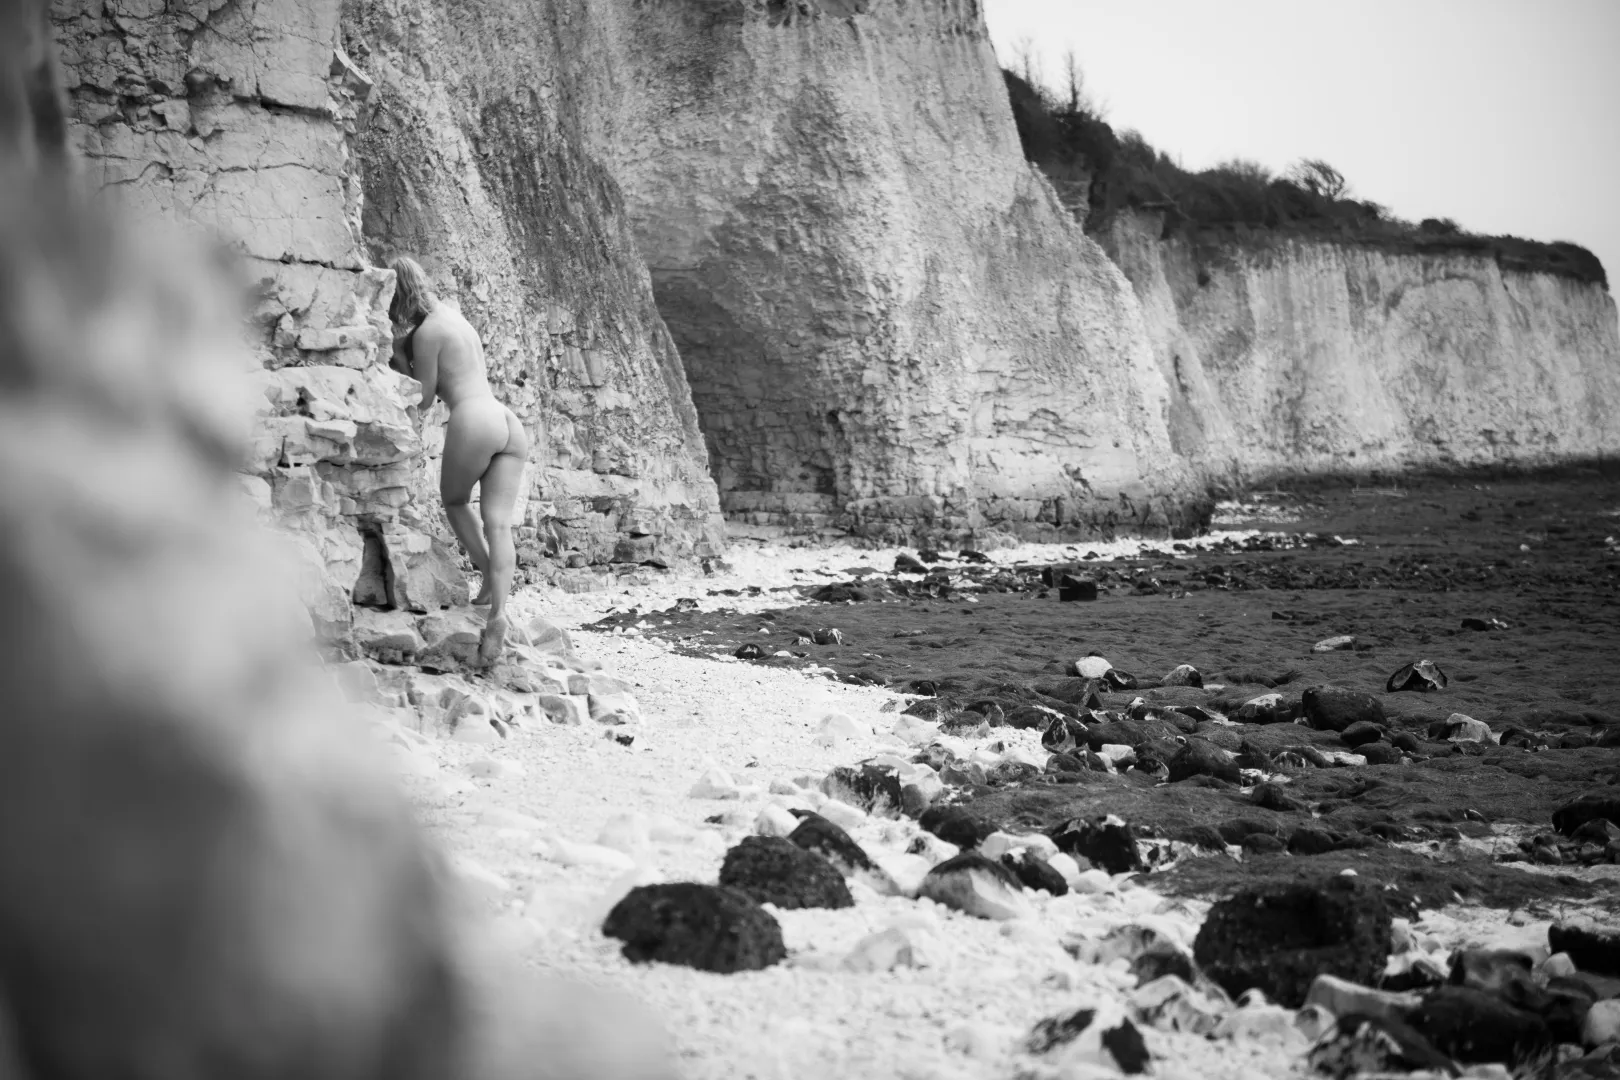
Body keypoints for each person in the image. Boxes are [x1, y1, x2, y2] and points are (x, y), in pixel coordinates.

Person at [388, 256, 530, 665]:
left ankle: (485, 571)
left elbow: (426, 396)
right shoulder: (455, 317)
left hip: (472, 418)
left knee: (454, 500)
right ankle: (498, 611)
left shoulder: (424, 334)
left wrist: (400, 356)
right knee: (499, 523)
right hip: (506, 419)